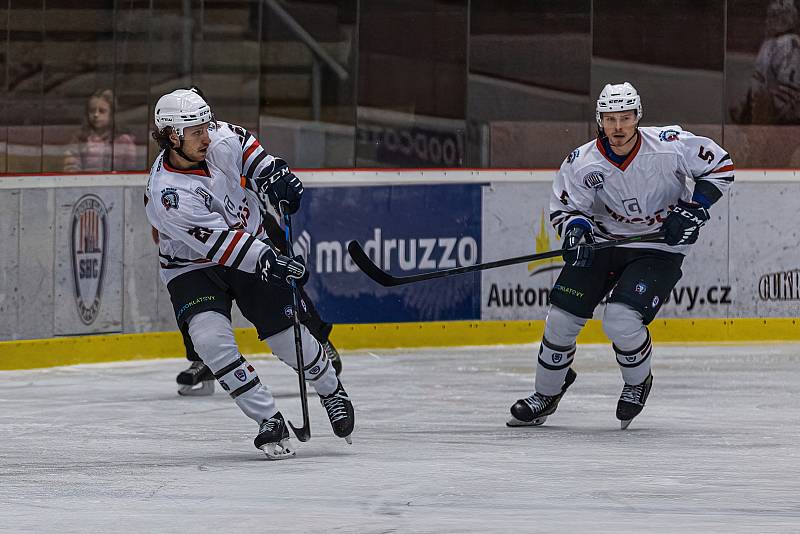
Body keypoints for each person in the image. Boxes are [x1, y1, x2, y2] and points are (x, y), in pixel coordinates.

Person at [507, 82, 734, 430]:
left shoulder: (669, 146)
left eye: (625, 118)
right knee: (561, 319)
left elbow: (720, 166)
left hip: (658, 245)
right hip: (604, 243)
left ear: (637, 116)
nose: (618, 127)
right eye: (610, 119)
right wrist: (577, 232)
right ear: (599, 120)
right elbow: (567, 208)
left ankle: (636, 383)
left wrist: (693, 209)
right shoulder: (582, 161)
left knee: (621, 319)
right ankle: (546, 394)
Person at [145, 88, 354, 459]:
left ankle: (330, 389)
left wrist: (273, 176)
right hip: (193, 267)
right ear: (172, 136)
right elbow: (219, 245)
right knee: (209, 341)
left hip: (250, 239)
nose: (206, 137)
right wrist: (269, 259)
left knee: (287, 339)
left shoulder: (219, 137)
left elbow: (248, 150)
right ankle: (267, 418)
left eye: (206, 127)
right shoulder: (168, 194)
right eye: (195, 132)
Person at [730, 0, 800, 124]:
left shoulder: (790, 44)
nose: (768, 20)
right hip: (762, 116)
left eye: (774, 16)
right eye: (770, 16)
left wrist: (770, 112)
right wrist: (745, 107)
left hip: (779, 123)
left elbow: (789, 92)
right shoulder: (768, 43)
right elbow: (757, 79)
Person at [63, 89, 139, 172]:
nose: (96, 115)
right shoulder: (80, 138)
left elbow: (130, 171)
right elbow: (71, 167)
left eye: (102, 111)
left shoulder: (125, 140)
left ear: (111, 114)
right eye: (92, 110)